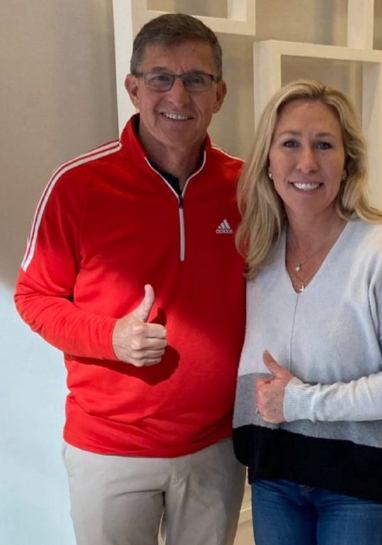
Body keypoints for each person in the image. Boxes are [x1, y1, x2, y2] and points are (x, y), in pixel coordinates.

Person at [14, 13, 246, 545]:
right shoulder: (78, 185)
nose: (178, 96)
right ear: (134, 88)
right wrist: (111, 337)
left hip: (216, 447)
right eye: (161, 77)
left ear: (219, 94)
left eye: (196, 79)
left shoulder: (247, 186)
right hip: (110, 449)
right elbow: (34, 296)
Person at [233, 80, 382, 545]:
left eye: (324, 145)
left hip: (360, 483)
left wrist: (301, 402)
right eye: (290, 143)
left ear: (348, 163)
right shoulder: (258, 255)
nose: (307, 163)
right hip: (275, 473)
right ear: (267, 160)